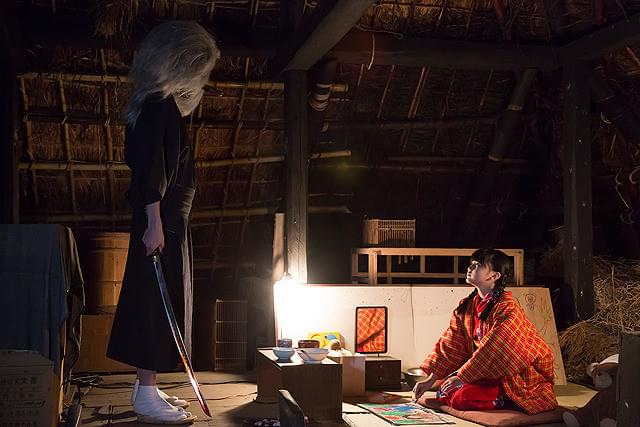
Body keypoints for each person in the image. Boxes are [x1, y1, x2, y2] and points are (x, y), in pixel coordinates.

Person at [106, 20, 220, 424]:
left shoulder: (157, 104)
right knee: (154, 303)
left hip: (167, 221)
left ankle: (146, 388)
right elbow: (151, 169)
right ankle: (146, 393)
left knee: (159, 299)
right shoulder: (157, 106)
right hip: (162, 221)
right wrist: (154, 222)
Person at [412, 249, 557, 415]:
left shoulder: (507, 307)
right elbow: (450, 345)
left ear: (494, 276)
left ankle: (507, 399)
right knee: (445, 391)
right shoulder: (467, 306)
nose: (470, 268)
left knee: (461, 397)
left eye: (478, 265)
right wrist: (430, 380)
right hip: (483, 372)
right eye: (472, 263)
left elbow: (495, 348)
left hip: (514, 376)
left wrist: (461, 377)